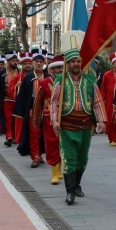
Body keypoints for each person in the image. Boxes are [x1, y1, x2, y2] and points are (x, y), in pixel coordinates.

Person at [51, 31, 107, 205]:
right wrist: (54, 120)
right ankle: (69, 193)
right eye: (73, 61)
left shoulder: (90, 80)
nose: (76, 64)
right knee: (68, 158)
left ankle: (77, 185)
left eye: (78, 61)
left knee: (82, 160)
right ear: (67, 63)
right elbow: (54, 103)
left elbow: (97, 102)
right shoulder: (60, 80)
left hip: (85, 127)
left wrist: (102, 121)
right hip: (67, 127)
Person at [33, 55, 65, 183]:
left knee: (63, 145)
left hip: (65, 118)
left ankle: (60, 169)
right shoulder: (43, 83)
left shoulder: (68, 82)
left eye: (62, 68)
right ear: (51, 70)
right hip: (49, 119)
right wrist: (36, 119)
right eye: (57, 68)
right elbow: (38, 102)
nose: (60, 70)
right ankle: (54, 173)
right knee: (52, 145)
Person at [14, 50, 46, 166]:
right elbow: (22, 95)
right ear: (33, 63)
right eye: (36, 61)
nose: (38, 63)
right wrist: (21, 112)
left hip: (46, 110)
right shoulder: (28, 78)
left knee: (44, 133)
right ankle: (35, 157)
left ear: (44, 63)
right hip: (32, 108)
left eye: (40, 62)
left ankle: (40, 153)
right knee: (33, 133)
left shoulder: (47, 76)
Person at [0, 51, 23, 147]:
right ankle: (9, 137)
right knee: (8, 119)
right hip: (6, 100)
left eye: (16, 60)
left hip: (17, 100)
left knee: (16, 119)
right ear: (8, 61)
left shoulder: (20, 72)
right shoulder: (2, 73)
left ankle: (15, 137)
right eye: (13, 60)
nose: (15, 62)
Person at [101, 52, 116, 146]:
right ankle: (112, 137)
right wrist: (103, 99)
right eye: (115, 62)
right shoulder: (107, 74)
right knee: (112, 120)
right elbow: (103, 88)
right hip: (111, 101)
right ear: (112, 64)